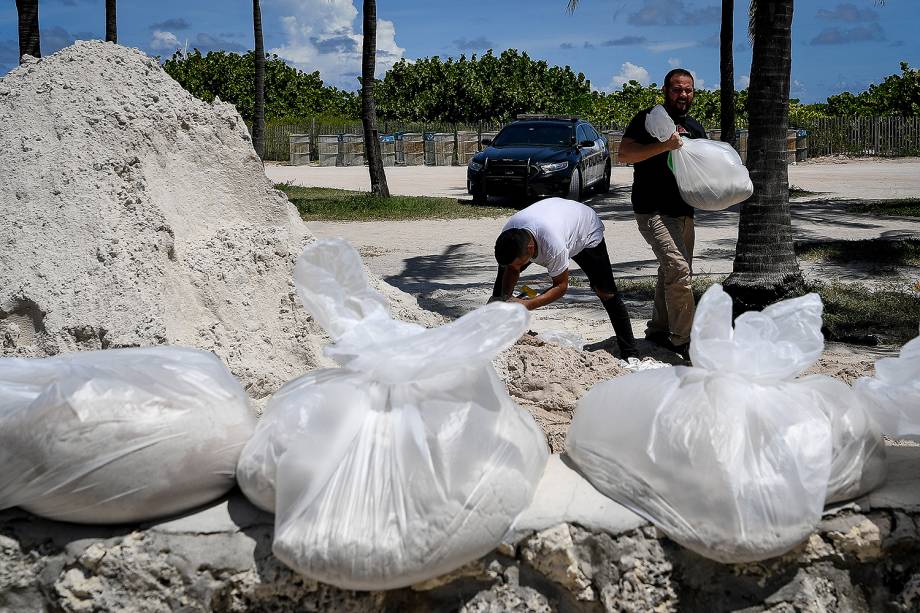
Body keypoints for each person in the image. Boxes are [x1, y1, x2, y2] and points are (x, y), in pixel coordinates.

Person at [617, 68, 708, 360]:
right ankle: (684, 341)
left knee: (670, 271)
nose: (683, 95)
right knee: (679, 271)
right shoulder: (648, 119)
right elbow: (625, 155)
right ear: (665, 91)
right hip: (652, 210)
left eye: (688, 90)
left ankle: (658, 330)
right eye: (677, 89)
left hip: (684, 212)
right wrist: (665, 146)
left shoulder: (695, 127)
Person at [490, 196, 637, 360]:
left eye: (518, 264)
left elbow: (561, 286)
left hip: (585, 231)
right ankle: (496, 325)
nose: (516, 269)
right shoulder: (509, 234)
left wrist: (526, 304)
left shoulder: (553, 246)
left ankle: (630, 353)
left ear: (531, 249)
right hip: (559, 217)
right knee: (503, 282)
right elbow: (511, 268)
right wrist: (505, 298)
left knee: (605, 292)